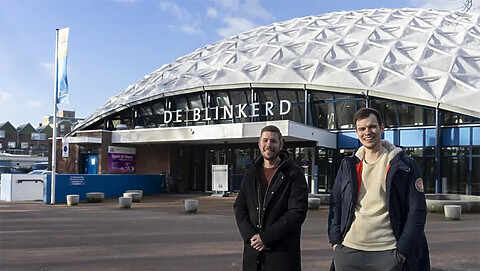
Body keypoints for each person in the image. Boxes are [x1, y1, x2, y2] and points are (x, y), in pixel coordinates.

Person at [328, 108, 430, 271]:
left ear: (382, 128)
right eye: (362, 129)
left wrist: (402, 251)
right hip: (349, 251)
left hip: (388, 251)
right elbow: (336, 203)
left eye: (372, 127)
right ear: (356, 132)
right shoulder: (348, 165)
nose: (367, 132)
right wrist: (335, 242)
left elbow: (417, 210)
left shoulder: (404, 165)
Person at [234, 125, 309, 271]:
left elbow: (296, 213)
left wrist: (266, 238)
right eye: (265, 140)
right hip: (253, 255)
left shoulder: (293, 174)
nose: (269, 145)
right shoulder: (251, 173)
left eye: (273, 141)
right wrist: (251, 237)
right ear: (259, 144)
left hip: (281, 255)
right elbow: (240, 207)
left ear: (281, 145)